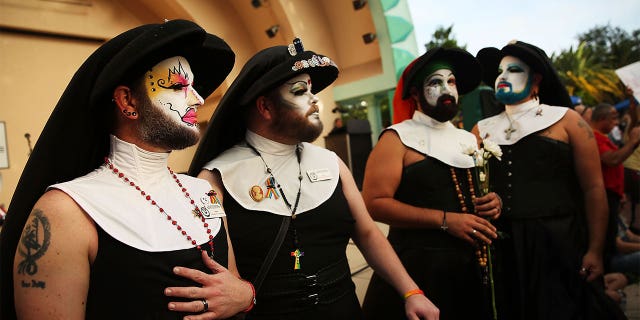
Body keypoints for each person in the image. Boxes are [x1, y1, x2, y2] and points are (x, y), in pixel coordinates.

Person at [1, 20, 255, 319]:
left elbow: (234, 281)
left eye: (194, 86)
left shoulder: (204, 192)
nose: (198, 98)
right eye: (177, 86)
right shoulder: (66, 211)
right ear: (127, 101)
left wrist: (245, 295)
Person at [186, 38, 440, 320]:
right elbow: (228, 278)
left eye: (311, 89)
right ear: (265, 107)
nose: (314, 98)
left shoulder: (331, 163)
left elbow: (368, 233)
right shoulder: (215, 179)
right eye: (299, 90)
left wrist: (411, 292)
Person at [472, 40, 616, 319]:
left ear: (536, 81)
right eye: (500, 71)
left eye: (513, 70)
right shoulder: (481, 130)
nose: (502, 77)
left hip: (560, 245)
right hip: (504, 249)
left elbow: (594, 188)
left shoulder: (568, 121)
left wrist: (596, 250)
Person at [359, 47, 502, 320]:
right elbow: (374, 204)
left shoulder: (469, 139)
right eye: (435, 82)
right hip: (417, 268)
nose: (447, 89)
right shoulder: (396, 139)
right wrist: (446, 220)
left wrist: (494, 201)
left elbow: (477, 191)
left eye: (451, 82)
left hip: (470, 268)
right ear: (415, 93)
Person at [590, 102, 640, 270]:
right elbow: (613, 159)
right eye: (613, 118)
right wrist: (633, 142)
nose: (616, 122)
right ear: (602, 118)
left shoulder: (604, 136)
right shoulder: (593, 137)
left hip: (613, 195)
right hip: (604, 196)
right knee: (608, 243)